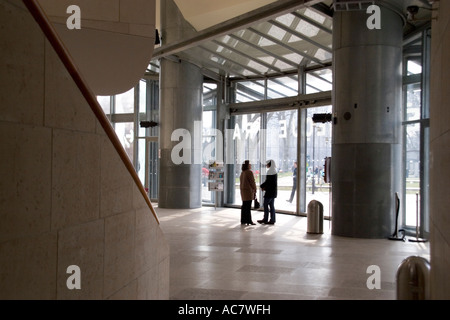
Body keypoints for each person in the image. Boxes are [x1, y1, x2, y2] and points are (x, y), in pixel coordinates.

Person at [258, 159, 277, 225]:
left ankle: (265, 219)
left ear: (269, 164)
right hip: (273, 192)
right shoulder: (274, 171)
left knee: (265, 205)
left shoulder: (270, 171)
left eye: (267, 164)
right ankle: (272, 220)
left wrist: (261, 186)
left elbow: (268, 182)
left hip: (269, 192)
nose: (266, 165)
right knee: (271, 206)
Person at [239, 160, 257, 225]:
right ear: (247, 165)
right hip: (248, 192)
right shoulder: (249, 172)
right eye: (249, 164)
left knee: (244, 206)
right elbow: (252, 182)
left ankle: (243, 220)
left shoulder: (242, 173)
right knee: (248, 207)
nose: (250, 165)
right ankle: (249, 220)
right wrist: (255, 189)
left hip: (243, 192)